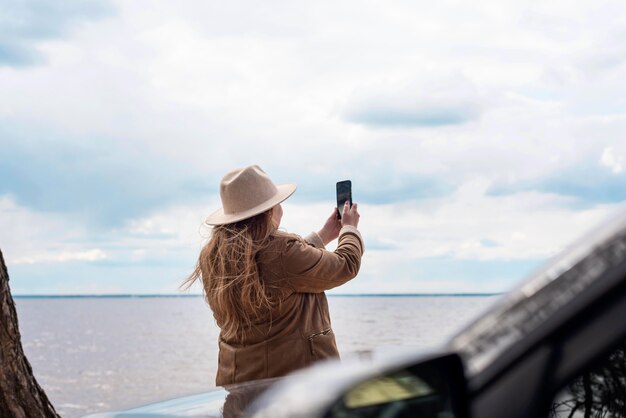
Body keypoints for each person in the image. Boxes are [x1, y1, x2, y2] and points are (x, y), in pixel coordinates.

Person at [184, 165, 363, 386]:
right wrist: (349, 229)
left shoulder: (214, 256)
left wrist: (324, 235)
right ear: (267, 211)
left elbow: (275, 268)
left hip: (237, 385)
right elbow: (346, 264)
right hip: (292, 392)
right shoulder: (282, 253)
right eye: (277, 202)